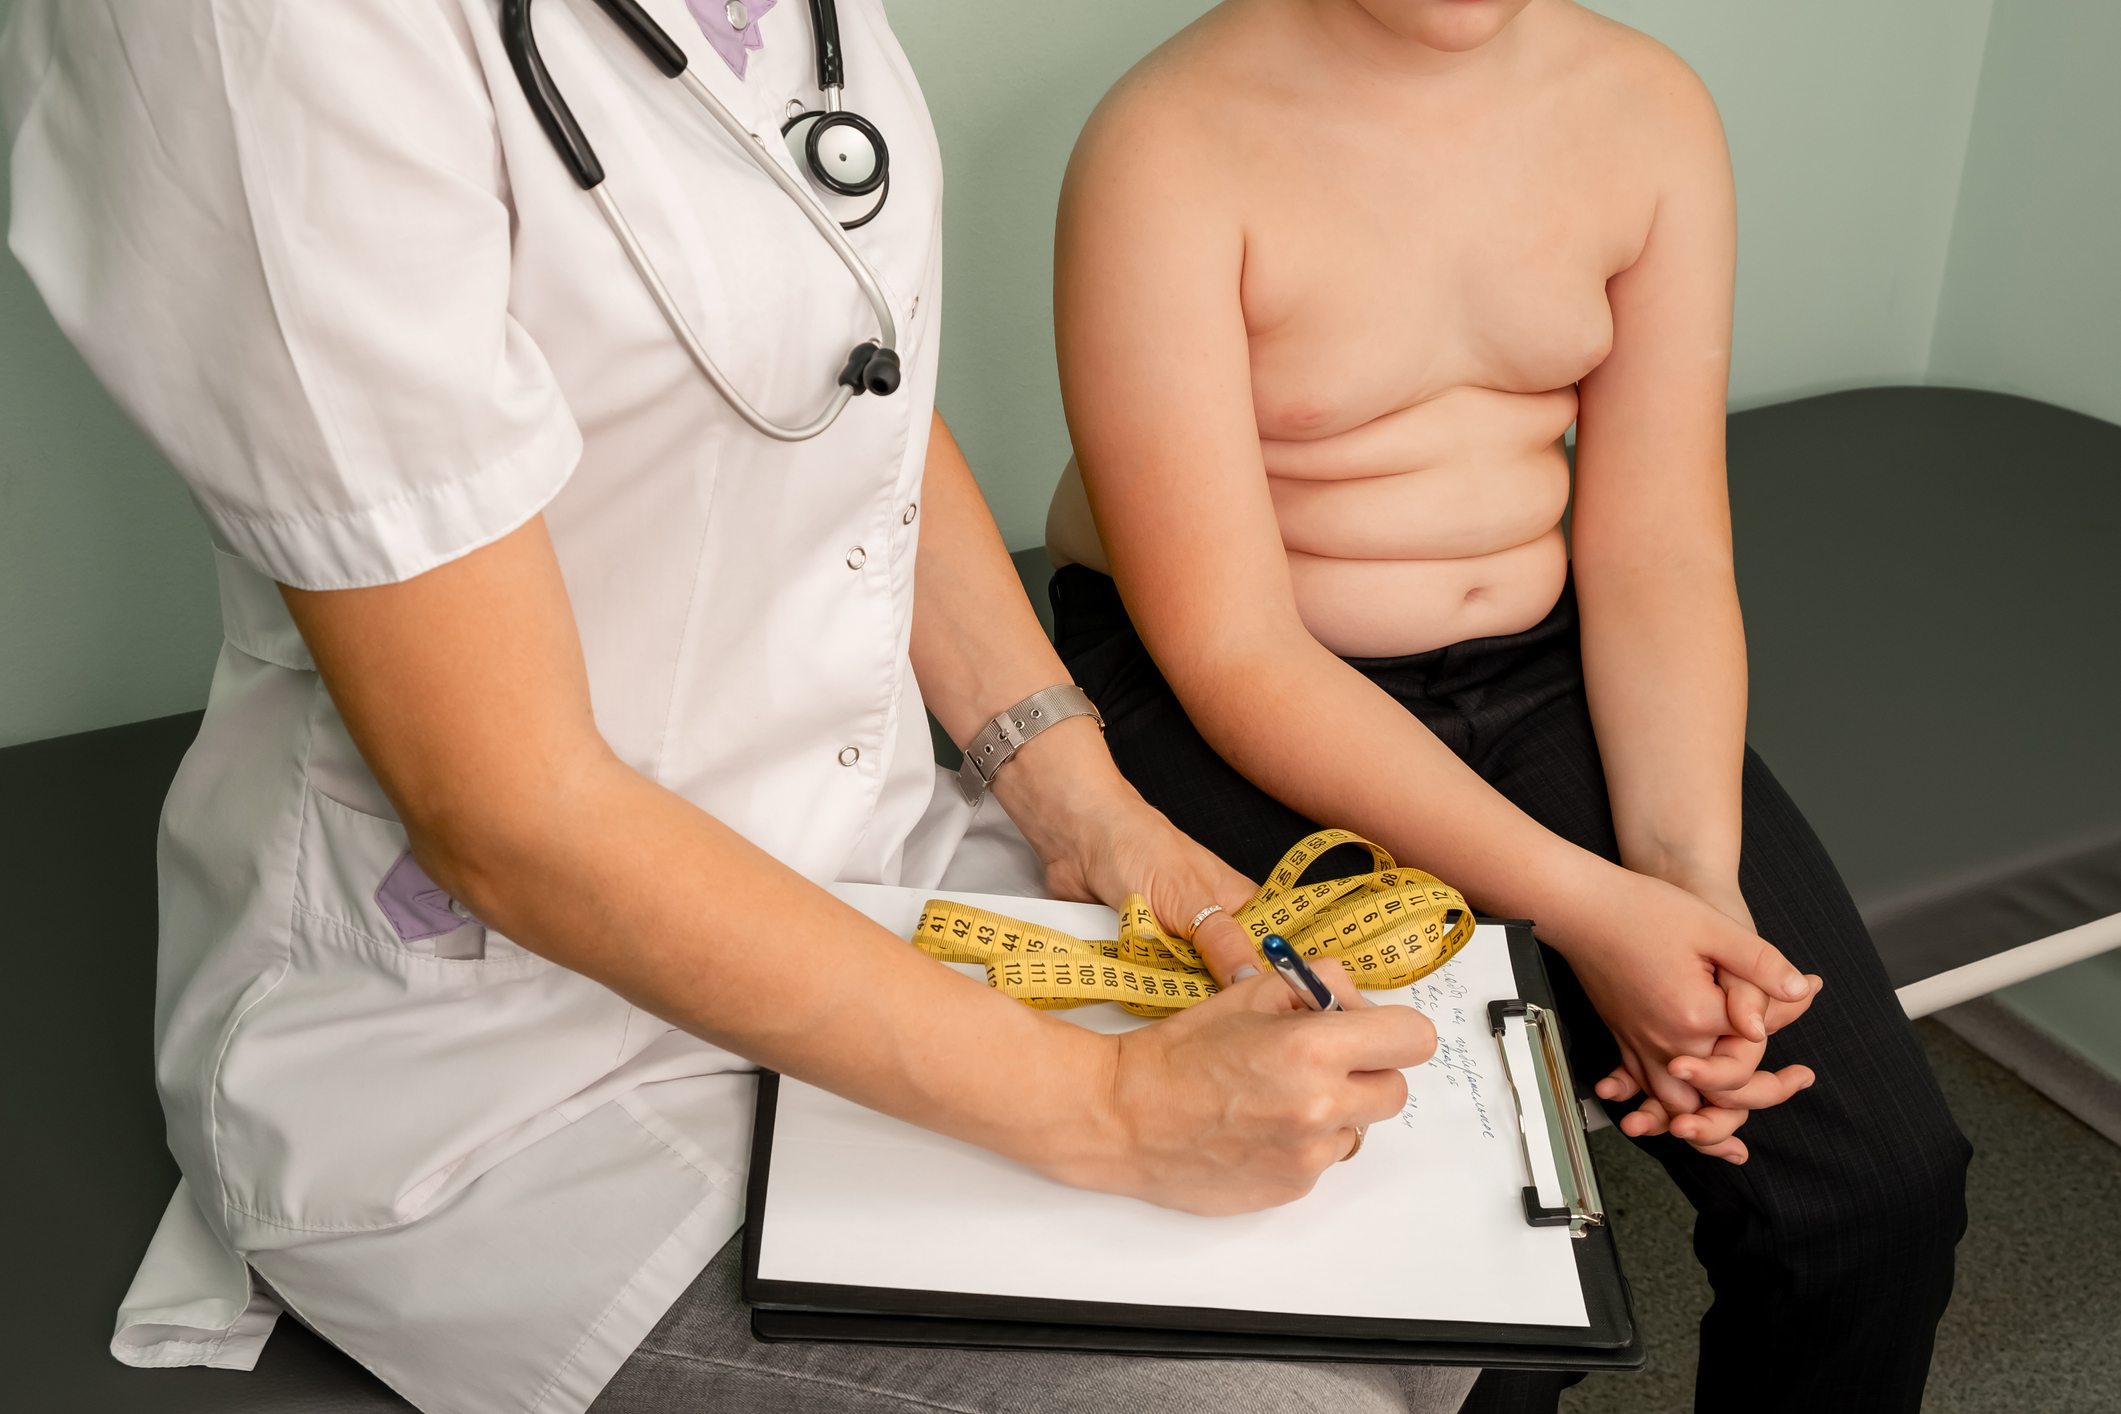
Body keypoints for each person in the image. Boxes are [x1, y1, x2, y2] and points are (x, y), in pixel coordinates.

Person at [1, 2, 1474, 1411]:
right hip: (504, 1049)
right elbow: (504, 812)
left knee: (1435, 1285)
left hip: (884, 854)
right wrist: (1111, 1112)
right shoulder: (257, 31)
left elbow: (842, 362)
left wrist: (1072, 790)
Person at [1043, 1, 1972, 1410]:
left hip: (1540, 648)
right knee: (1480, 1265)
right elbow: (1233, 648)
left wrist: (1691, 894)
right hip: (1236, 676)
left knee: (1876, 1192)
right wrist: (1590, 915)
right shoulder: (1166, 145)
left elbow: (1657, 547)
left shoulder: (1644, 108)